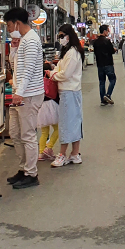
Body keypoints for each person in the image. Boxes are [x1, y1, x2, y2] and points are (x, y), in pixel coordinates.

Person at [5, 7, 45, 189]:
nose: (8, 28)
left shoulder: (31, 41)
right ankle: (23, 169)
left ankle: (31, 173)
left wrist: (20, 92)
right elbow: (17, 66)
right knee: (15, 133)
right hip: (19, 94)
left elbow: (28, 70)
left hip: (28, 95)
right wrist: (13, 49)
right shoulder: (22, 41)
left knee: (27, 134)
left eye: (8, 25)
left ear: (17, 23)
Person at [49, 24, 85, 167]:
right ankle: (74, 154)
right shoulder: (68, 51)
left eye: (62, 36)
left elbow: (65, 74)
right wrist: (54, 71)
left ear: (69, 36)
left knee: (67, 123)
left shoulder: (73, 52)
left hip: (70, 91)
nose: (61, 38)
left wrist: (52, 74)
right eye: (59, 36)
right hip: (67, 91)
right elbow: (60, 69)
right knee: (72, 122)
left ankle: (64, 154)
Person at [37, 62, 60, 161]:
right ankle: (49, 147)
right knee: (58, 129)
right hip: (52, 105)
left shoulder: (37, 80)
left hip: (41, 106)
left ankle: (41, 153)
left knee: (44, 132)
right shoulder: (51, 79)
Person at [92, 24, 117, 105]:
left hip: (100, 64)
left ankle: (103, 100)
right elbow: (111, 51)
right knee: (112, 80)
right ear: (105, 31)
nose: (108, 32)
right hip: (108, 63)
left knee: (102, 82)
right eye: (108, 30)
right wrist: (114, 49)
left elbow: (95, 52)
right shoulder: (107, 41)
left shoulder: (95, 42)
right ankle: (108, 95)